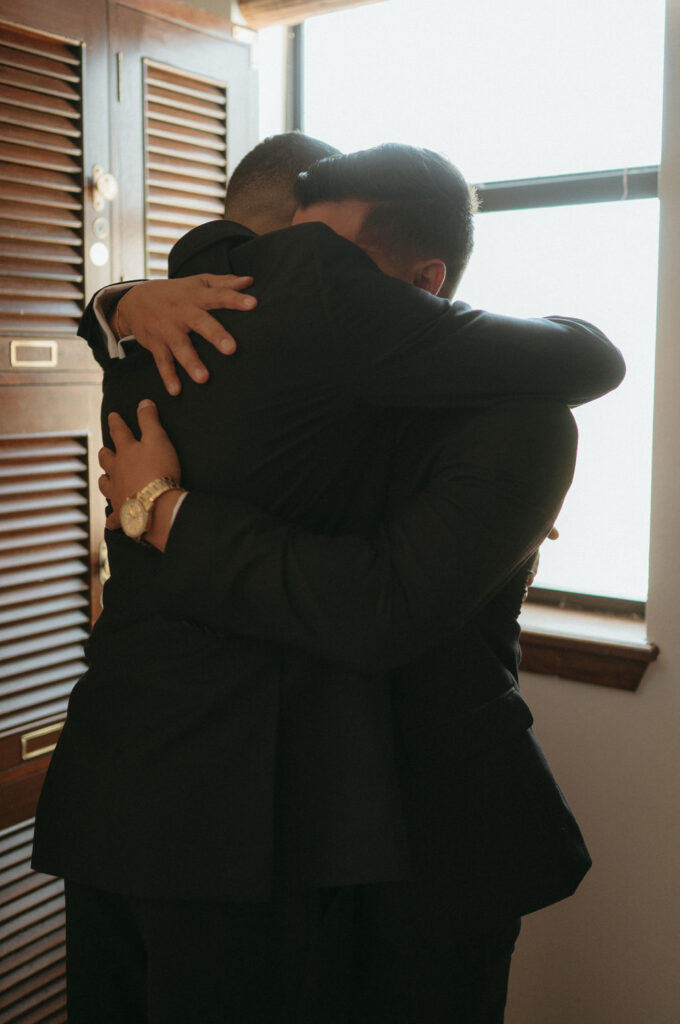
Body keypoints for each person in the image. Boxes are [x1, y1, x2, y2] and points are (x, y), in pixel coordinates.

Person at [33, 135, 625, 1023]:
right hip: (281, 825)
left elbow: (376, 605)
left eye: (321, 265)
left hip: (435, 834)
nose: (279, 285)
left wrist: (163, 510)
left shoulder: (520, 419)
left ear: (421, 285)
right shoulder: (232, 358)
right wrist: (117, 300)